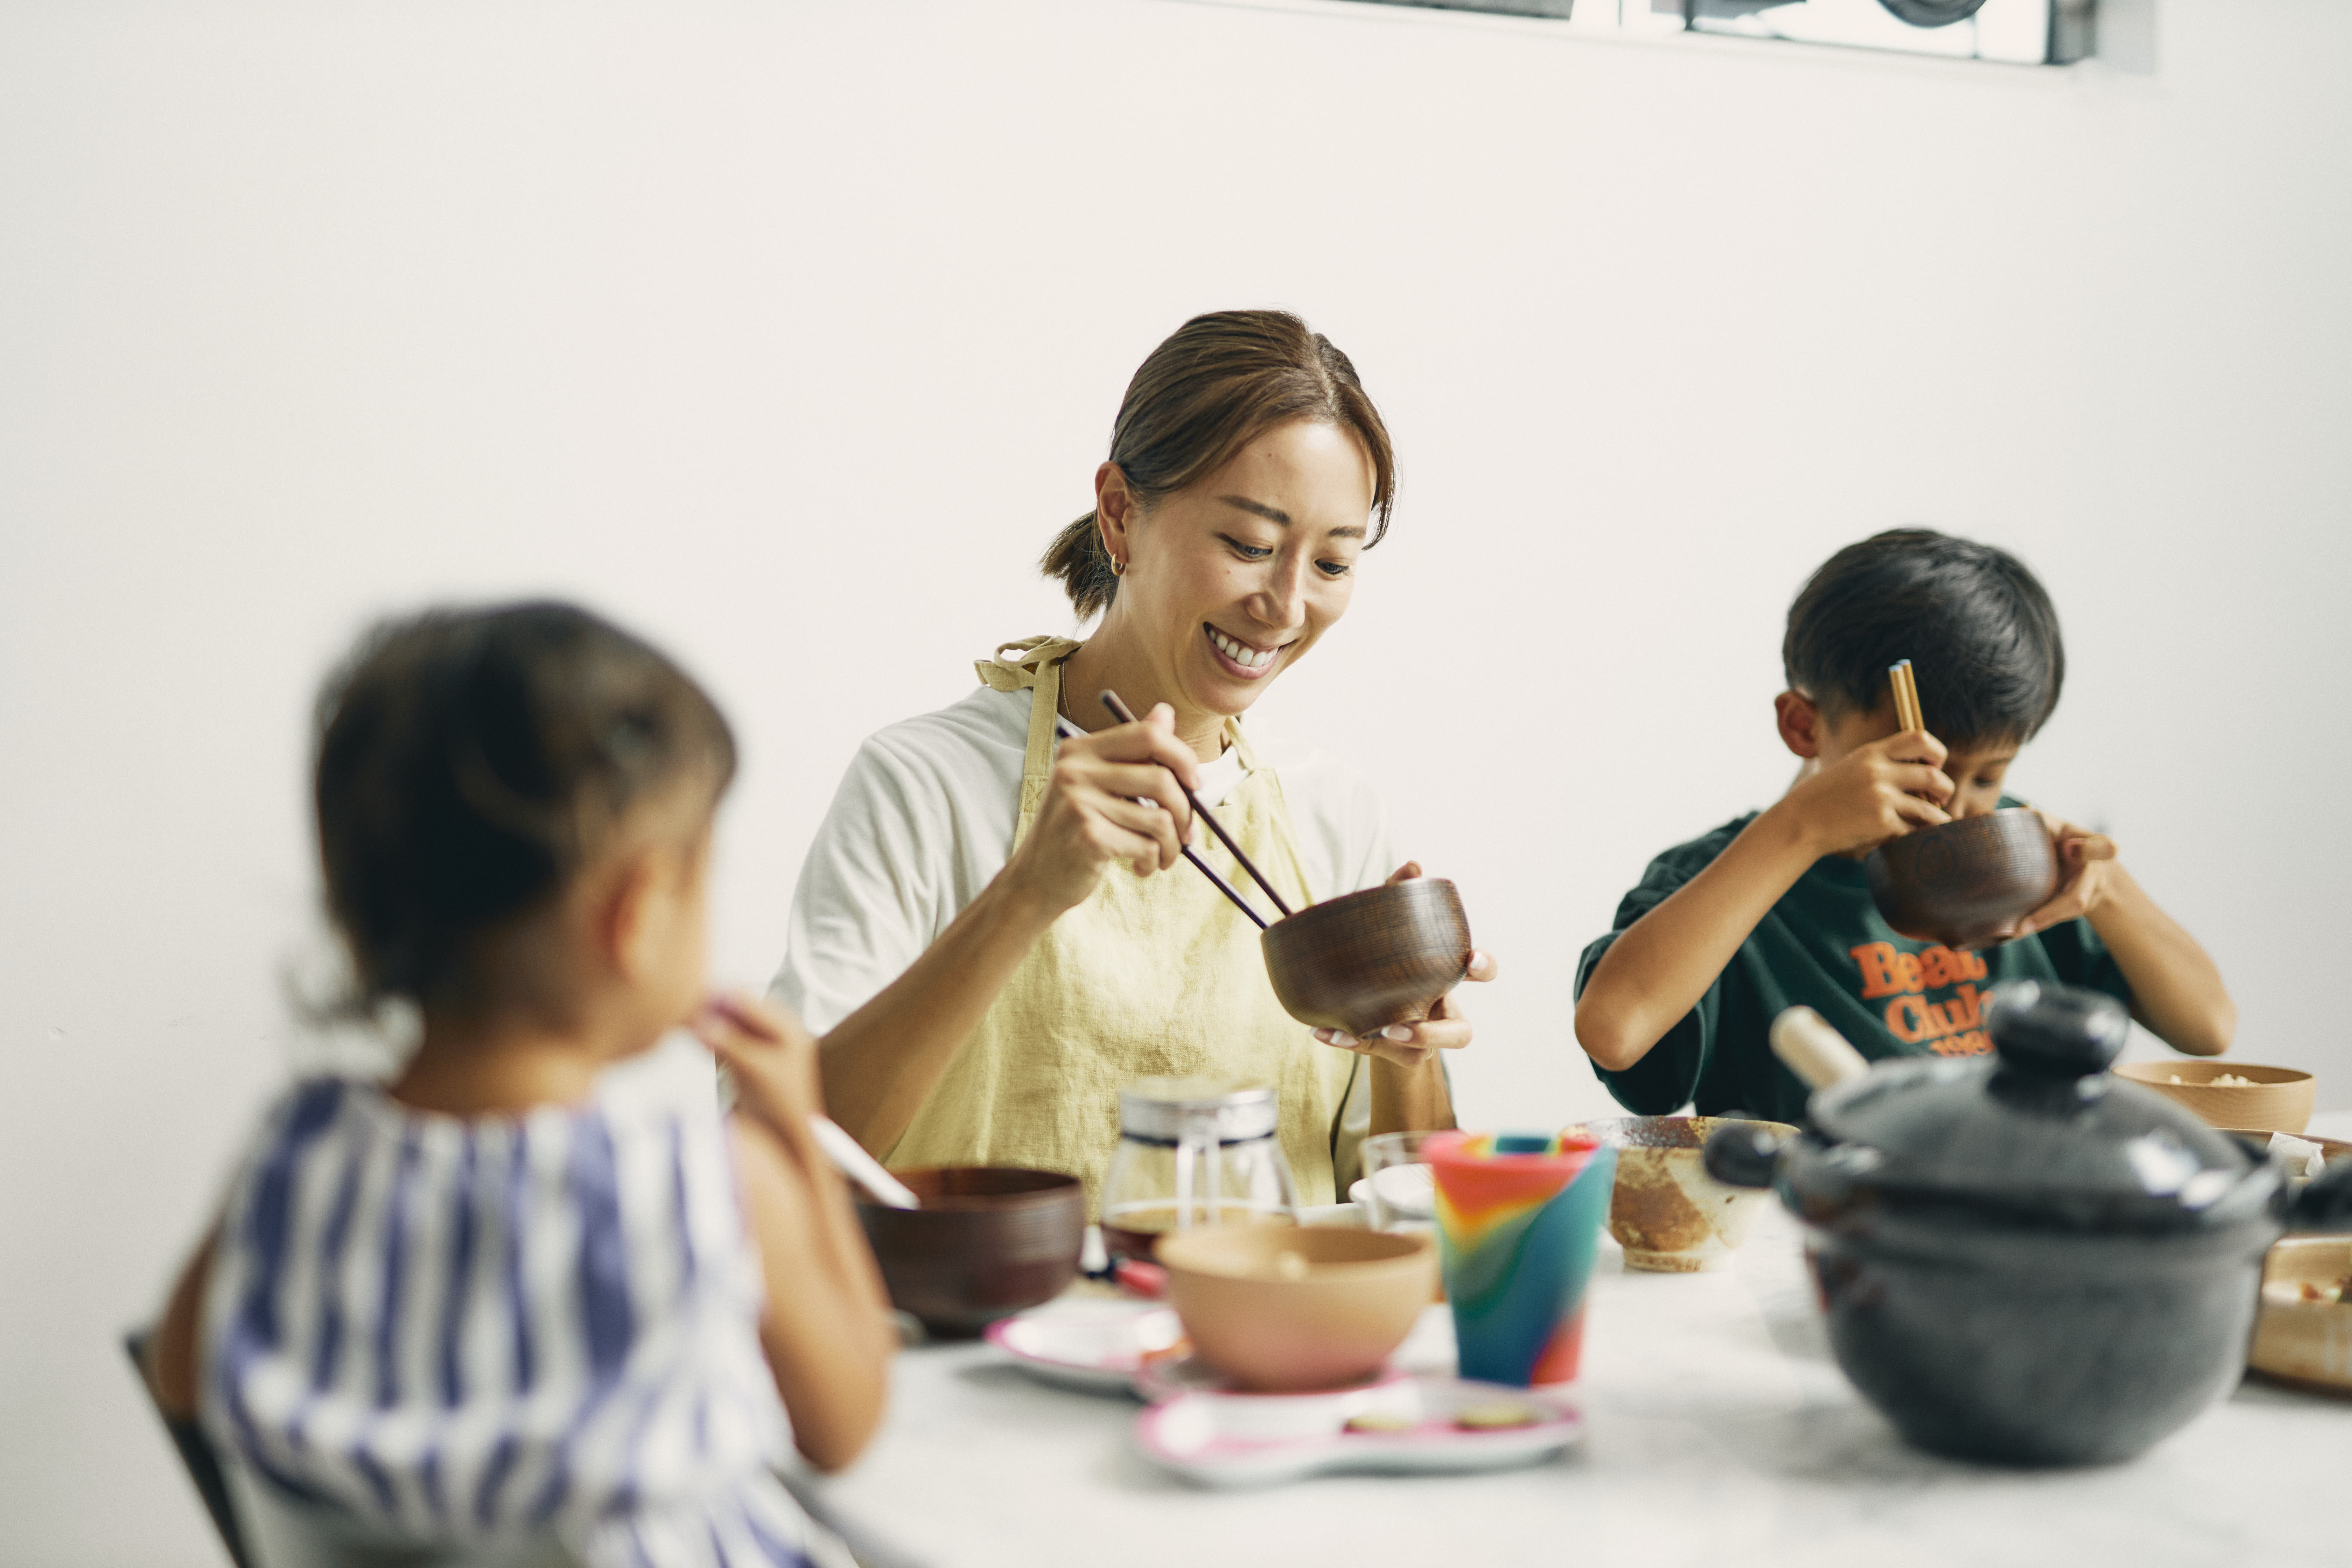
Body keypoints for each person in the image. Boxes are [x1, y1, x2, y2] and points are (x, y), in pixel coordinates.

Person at [144, 603, 894, 1568]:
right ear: (639, 913)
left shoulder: (294, 1160)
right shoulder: (713, 1185)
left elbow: (180, 1375)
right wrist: (796, 1130)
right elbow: (848, 1425)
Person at [772, 309, 1497, 1210]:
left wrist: (1408, 1046)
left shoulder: (1333, 814)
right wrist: (1025, 893)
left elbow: (1408, 1205)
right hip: (983, 1345)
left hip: (1260, 1333)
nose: (1284, 605)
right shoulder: (925, 784)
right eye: (1250, 546)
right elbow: (784, 1151)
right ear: (1120, 514)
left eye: (1332, 563)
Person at [1572, 528, 2234, 1124]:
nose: (1960, 808)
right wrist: (1798, 828)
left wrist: (2106, 884)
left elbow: (2209, 1028)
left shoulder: (2022, 857)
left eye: (1989, 776)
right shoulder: (1729, 881)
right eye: (1922, 766)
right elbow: (1613, 1032)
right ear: (1804, 726)